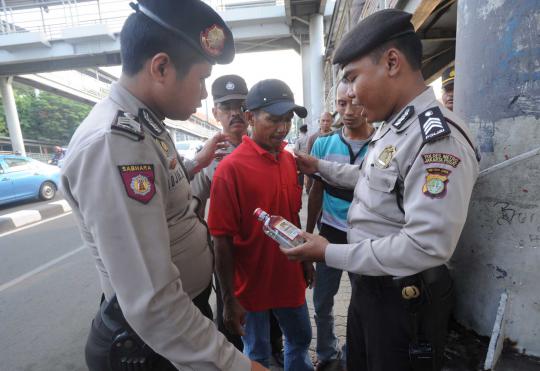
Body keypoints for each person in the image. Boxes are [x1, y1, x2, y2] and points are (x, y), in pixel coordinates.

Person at [60, 1, 266, 370]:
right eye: (202, 78)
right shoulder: (115, 142)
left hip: (178, 326)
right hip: (153, 344)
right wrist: (239, 366)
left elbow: (162, 193)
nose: (205, 94)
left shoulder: (146, 124)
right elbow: (153, 301)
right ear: (161, 67)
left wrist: (194, 167)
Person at [285, 9, 480, 371]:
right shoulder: (396, 126)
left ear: (392, 62)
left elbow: (426, 245)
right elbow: (373, 179)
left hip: (403, 302)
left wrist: (330, 252)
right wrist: (321, 167)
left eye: (353, 78)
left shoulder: (436, 138)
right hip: (372, 289)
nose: (351, 94)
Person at [208, 79, 314, 371]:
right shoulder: (230, 170)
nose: (282, 128)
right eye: (274, 120)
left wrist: (305, 259)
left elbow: (292, 216)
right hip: (250, 285)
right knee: (257, 351)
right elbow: (221, 240)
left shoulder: (288, 160)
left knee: (300, 339)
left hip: (288, 276)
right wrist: (229, 300)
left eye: (287, 120)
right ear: (251, 117)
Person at [191, 75, 285, 365]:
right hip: (232, 261)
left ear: (249, 111)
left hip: (268, 256)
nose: (233, 113)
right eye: (225, 106)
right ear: (216, 112)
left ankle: (275, 355)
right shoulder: (207, 157)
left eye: (239, 105)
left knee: (274, 321)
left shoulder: (271, 147)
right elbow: (194, 210)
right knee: (235, 324)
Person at [307, 80, 374, 371]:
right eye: (341, 103)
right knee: (322, 300)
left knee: (366, 301)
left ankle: (357, 354)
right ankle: (325, 352)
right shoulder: (323, 144)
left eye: (355, 102)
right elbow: (316, 191)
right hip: (330, 232)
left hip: (368, 235)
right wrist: (309, 232)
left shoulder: (382, 144)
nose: (348, 111)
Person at [305, 112, 334, 193]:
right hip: (316, 175)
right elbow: (307, 158)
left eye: (328, 121)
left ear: (332, 122)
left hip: (332, 175)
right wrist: (306, 177)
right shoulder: (312, 138)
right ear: (319, 122)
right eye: (323, 120)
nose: (325, 123)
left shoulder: (337, 137)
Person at [294, 124, 309, 188]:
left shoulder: (299, 139)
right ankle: (308, 188)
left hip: (301, 159)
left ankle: (301, 187)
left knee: (301, 174)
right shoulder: (310, 138)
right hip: (309, 158)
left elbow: (296, 151)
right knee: (309, 174)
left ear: (300, 131)